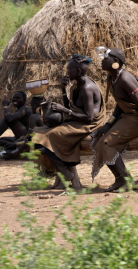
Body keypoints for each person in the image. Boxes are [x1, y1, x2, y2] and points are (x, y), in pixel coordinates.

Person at [32, 54, 107, 190]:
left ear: (78, 71)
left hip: (89, 125)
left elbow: (89, 117)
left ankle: (65, 173)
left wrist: (66, 112)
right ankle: (64, 173)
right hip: (78, 121)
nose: (67, 72)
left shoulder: (87, 88)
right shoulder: (77, 85)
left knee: (48, 137)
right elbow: (72, 106)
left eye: (70, 69)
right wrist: (63, 89)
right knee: (37, 134)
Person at [90, 48, 138, 192]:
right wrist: (108, 125)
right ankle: (119, 179)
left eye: (106, 58)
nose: (102, 61)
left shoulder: (124, 79)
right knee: (100, 142)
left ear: (116, 62)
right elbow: (121, 104)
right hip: (128, 116)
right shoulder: (112, 78)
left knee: (107, 143)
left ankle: (127, 180)